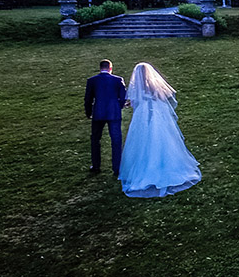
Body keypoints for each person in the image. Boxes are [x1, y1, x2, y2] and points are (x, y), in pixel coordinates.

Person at [118, 62, 201, 198]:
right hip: (157, 112)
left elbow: (134, 102)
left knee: (142, 140)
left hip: (143, 115)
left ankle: (144, 170)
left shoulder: (137, 86)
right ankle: (167, 166)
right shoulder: (154, 84)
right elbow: (165, 96)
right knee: (163, 138)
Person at [85, 59, 126, 179]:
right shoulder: (118, 80)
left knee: (95, 139)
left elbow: (88, 99)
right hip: (114, 113)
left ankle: (96, 165)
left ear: (100, 68)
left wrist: (89, 112)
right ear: (110, 68)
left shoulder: (92, 80)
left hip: (98, 112)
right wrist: (119, 107)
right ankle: (117, 167)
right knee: (116, 140)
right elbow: (122, 97)